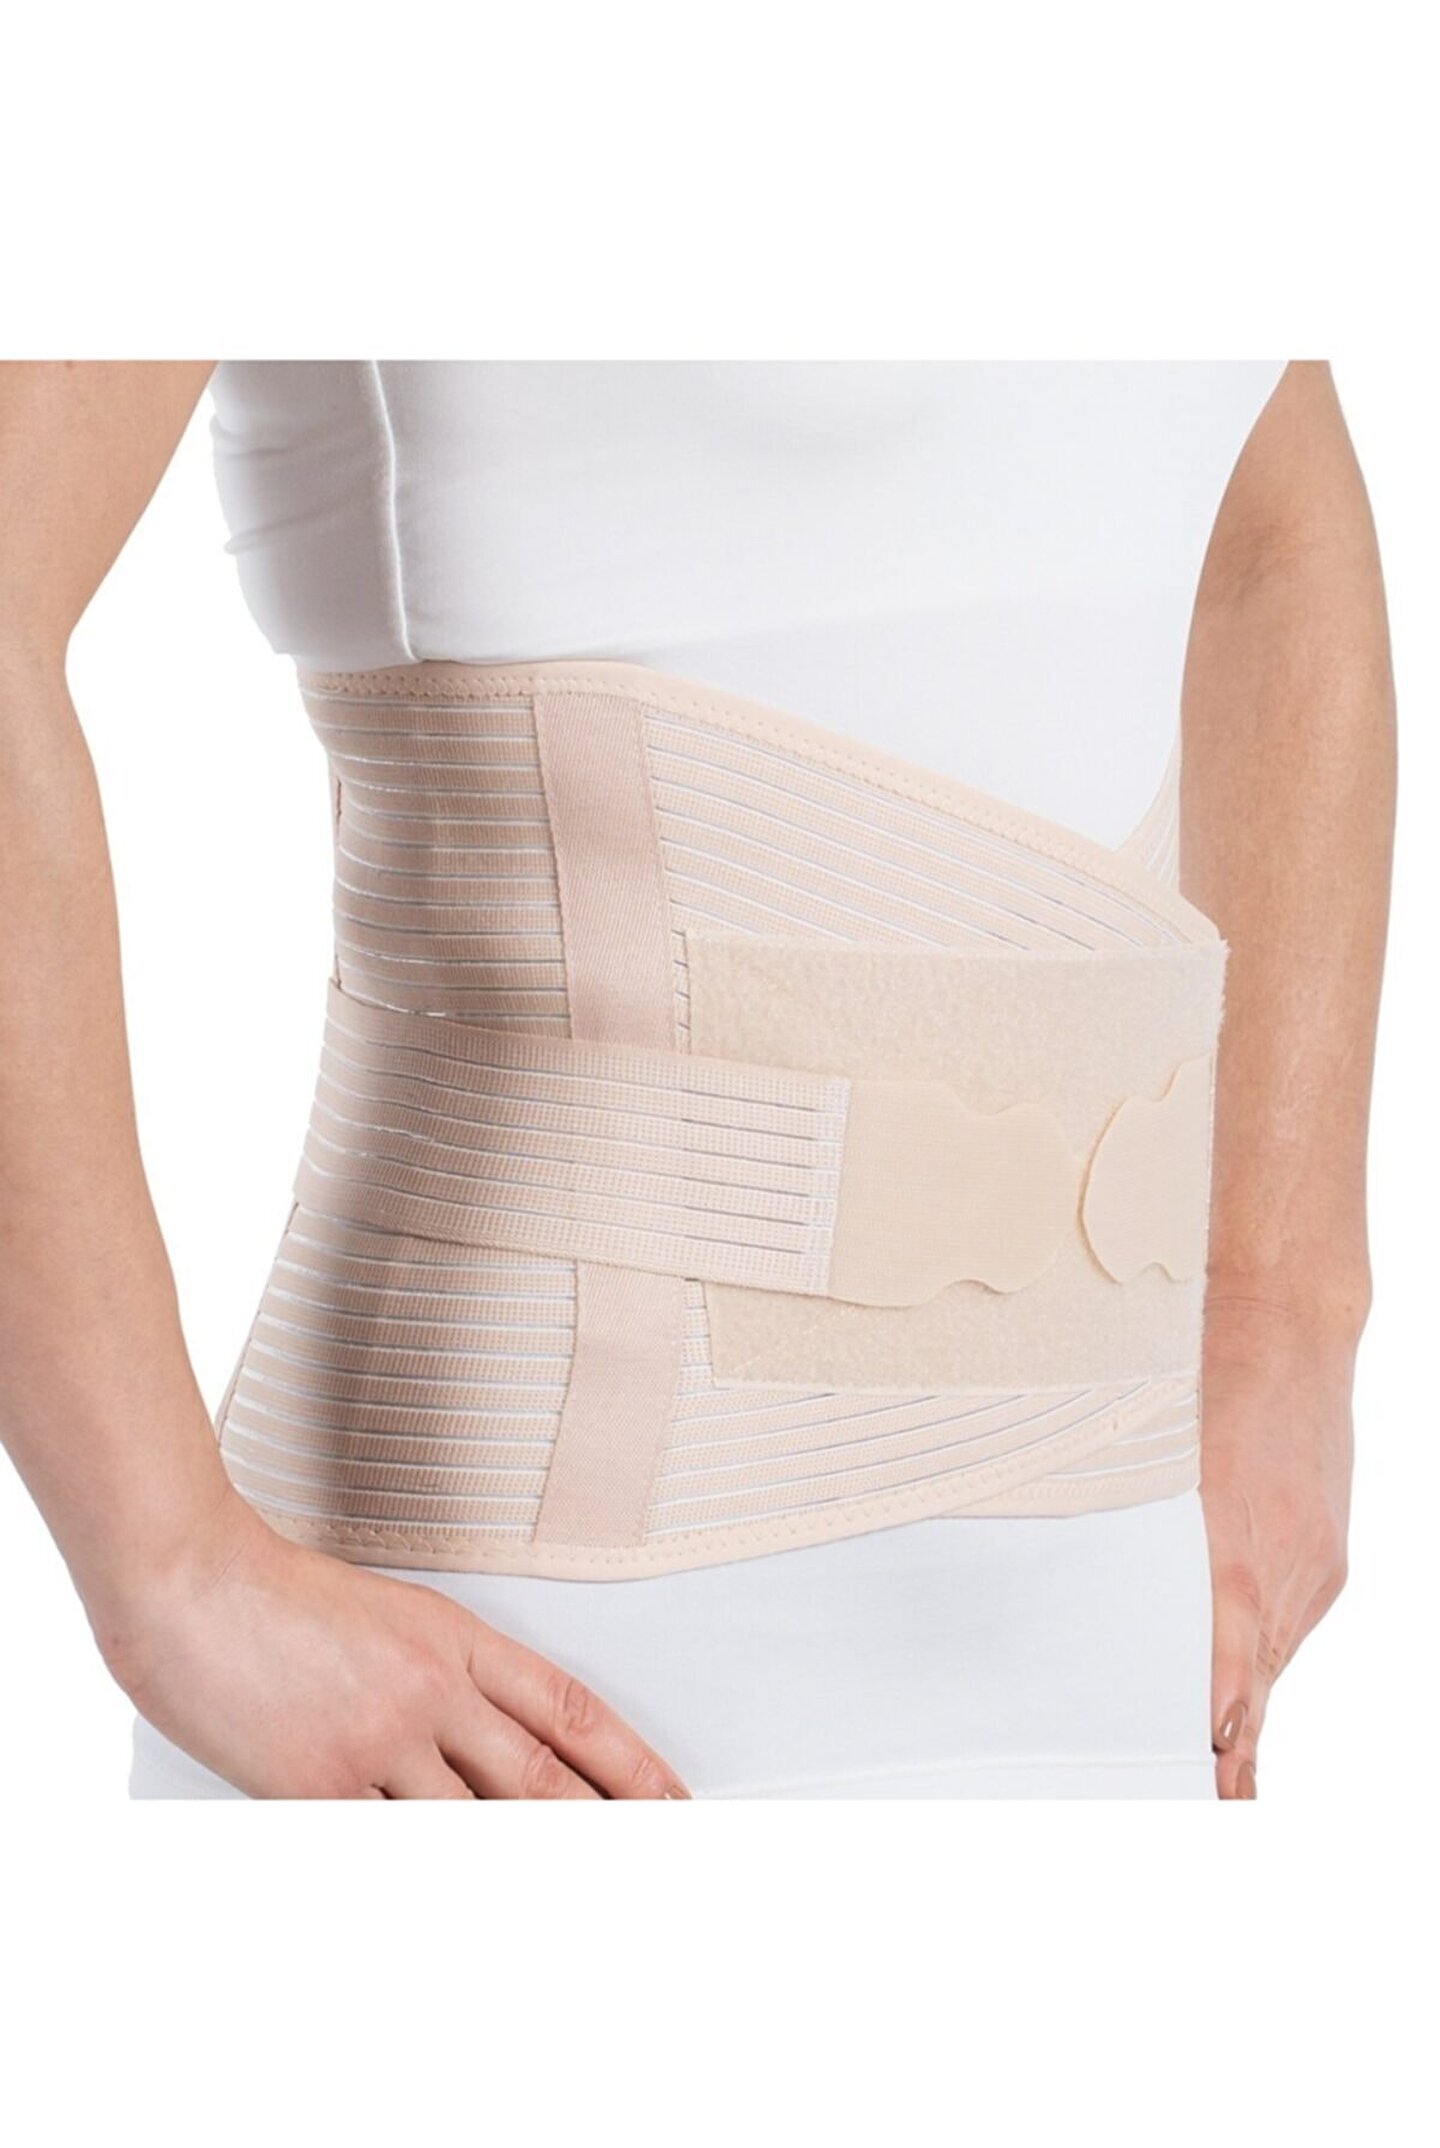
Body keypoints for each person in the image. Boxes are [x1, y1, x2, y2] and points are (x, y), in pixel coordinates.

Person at [0, 361, 1393, 1799]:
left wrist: (1288, 1302)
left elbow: (1265, 540)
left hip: (1119, 1629)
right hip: (534, 1666)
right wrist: (169, 1576)